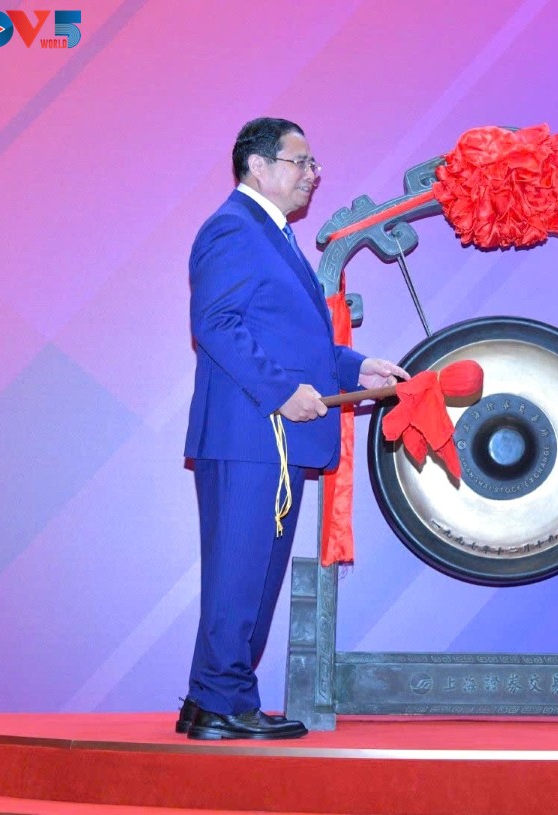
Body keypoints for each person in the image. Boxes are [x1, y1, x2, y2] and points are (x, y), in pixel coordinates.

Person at [178, 117, 407, 740]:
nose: (313, 174)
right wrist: (281, 392)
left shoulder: (272, 235)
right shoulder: (233, 228)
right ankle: (225, 703)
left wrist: (359, 367)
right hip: (249, 436)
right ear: (258, 166)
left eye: (313, 164)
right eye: (300, 162)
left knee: (251, 576)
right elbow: (216, 323)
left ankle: (208, 697)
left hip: (269, 441)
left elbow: (296, 342)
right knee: (240, 574)